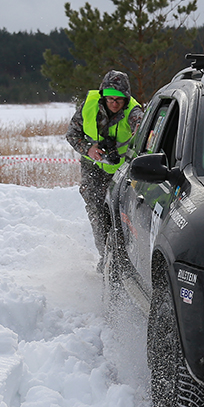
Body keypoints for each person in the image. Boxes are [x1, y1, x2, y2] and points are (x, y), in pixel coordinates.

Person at [66, 69, 143, 266]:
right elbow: (72, 135)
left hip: (122, 170)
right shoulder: (88, 107)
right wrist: (88, 149)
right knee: (98, 213)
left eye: (119, 99)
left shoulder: (134, 111)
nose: (115, 103)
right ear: (103, 97)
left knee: (122, 214)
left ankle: (126, 259)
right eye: (110, 99)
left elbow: (142, 129)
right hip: (93, 167)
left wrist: (139, 132)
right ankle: (106, 258)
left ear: (126, 98)